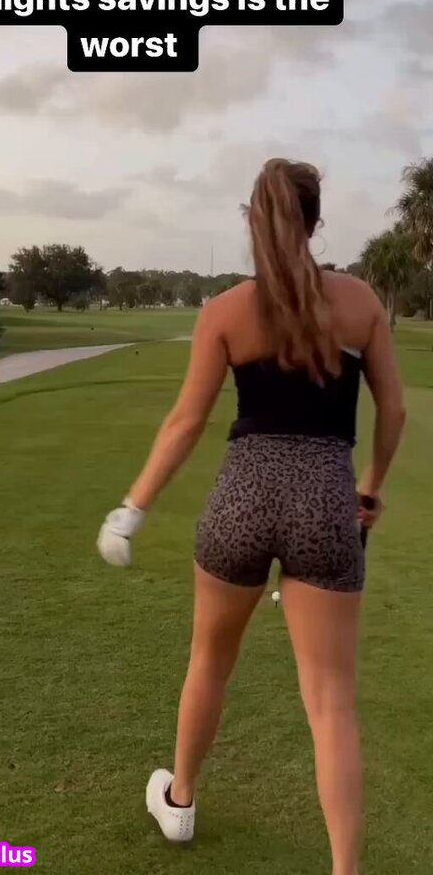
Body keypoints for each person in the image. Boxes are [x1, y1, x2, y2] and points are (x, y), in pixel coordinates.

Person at [97, 159, 405, 875]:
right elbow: (393, 411)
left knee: (210, 660)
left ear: (253, 221)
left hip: (243, 498)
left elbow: (186, 422)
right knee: (330, 703)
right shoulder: (359, 301)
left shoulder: (226, 311)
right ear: (315, 220)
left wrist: (132, 509)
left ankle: (180, 800)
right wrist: (370, 488)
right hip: (327, 502)